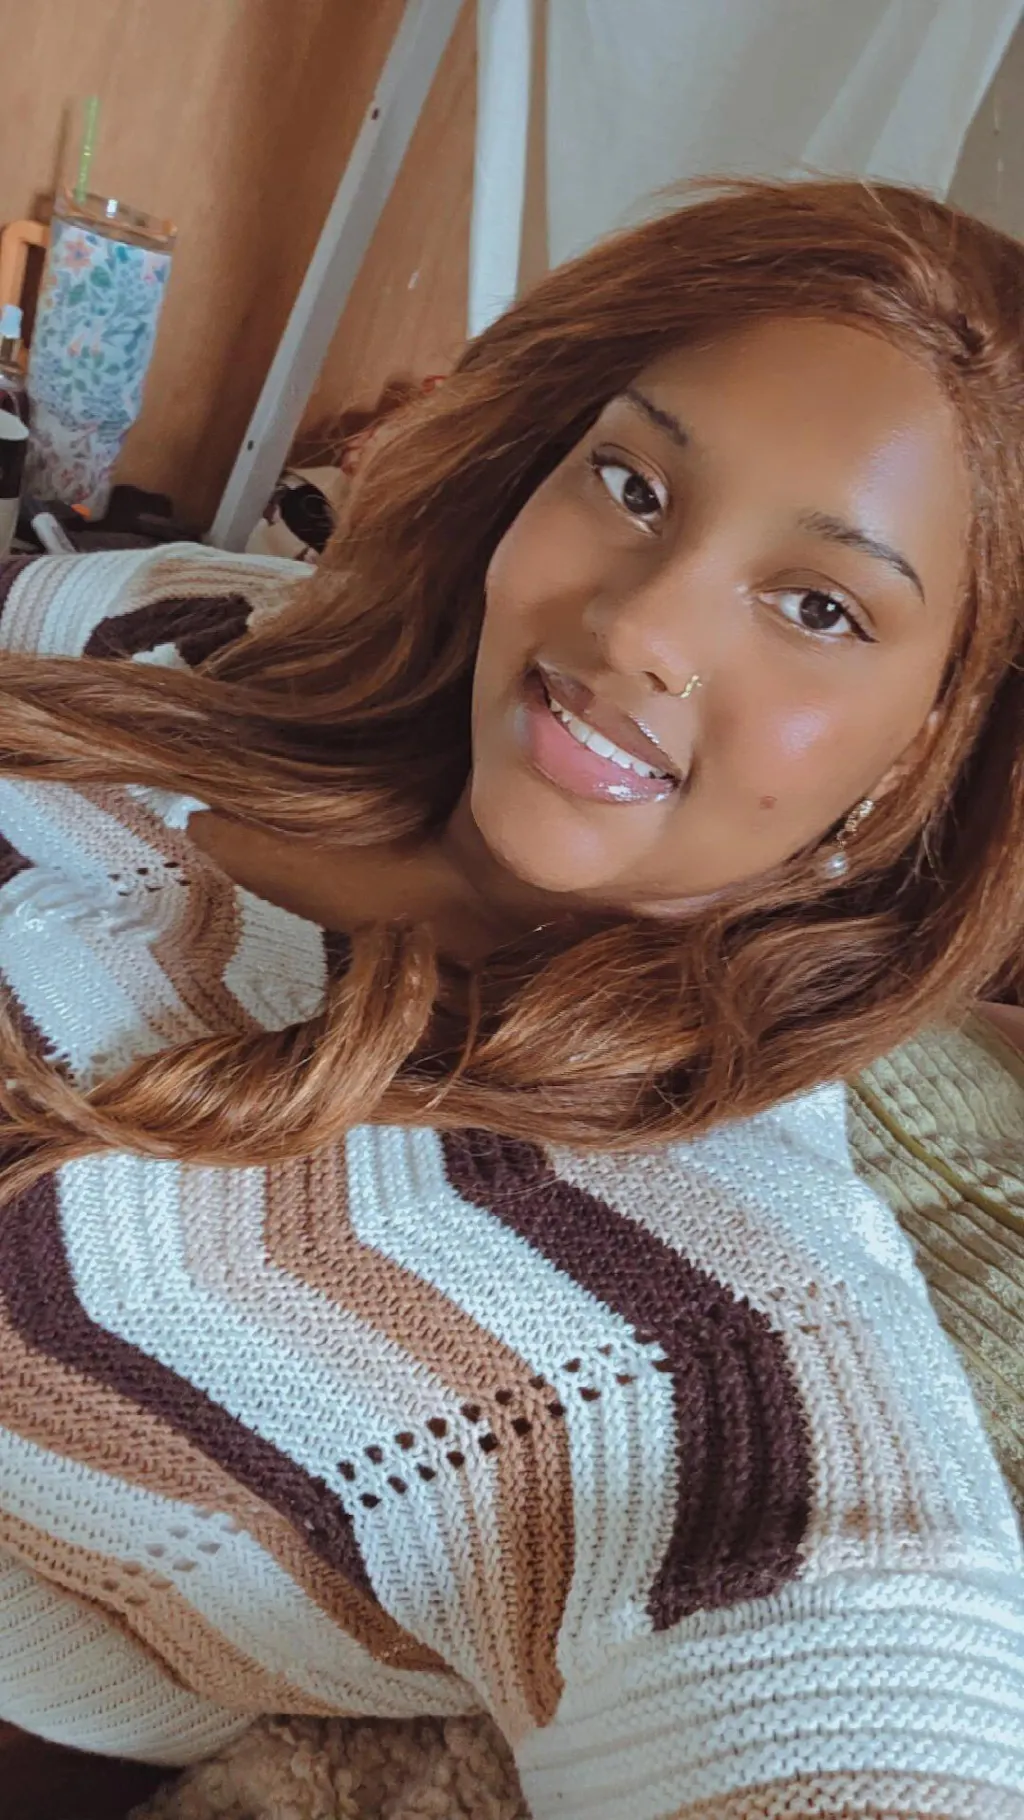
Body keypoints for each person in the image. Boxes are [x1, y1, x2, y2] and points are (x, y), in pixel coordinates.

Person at [0, 176, 1021, 1819]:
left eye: (821, 607)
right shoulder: (234, 633)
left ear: (931, 741)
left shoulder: (714, 1321)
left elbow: (864, 1683)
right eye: (633, 484)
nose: (634, 625)